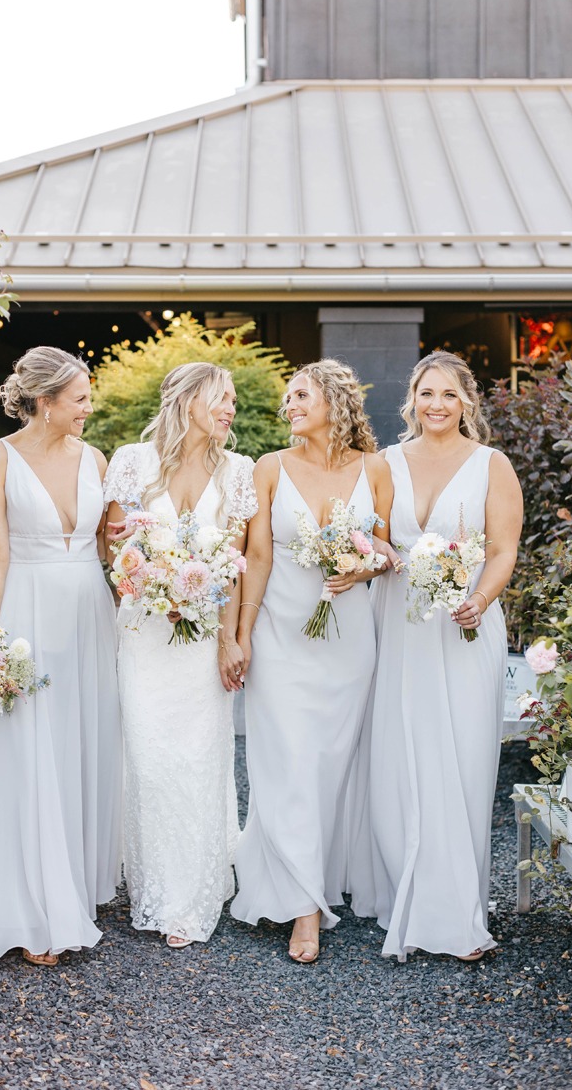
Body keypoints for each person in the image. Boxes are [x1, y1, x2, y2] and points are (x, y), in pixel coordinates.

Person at [0, 347, 122, 966]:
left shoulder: (96, 459)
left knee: (76, 745)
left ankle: (71, 882)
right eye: (79, 398)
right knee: (26, 750)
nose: (88, 408)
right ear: (44, 403)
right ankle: (29, 905)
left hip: (88, 618)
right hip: (26, 617)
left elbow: (108, 545)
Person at [350, 350, 522, 962]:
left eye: (449, 394)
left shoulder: (490, 466)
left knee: (461, 756)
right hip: (397, 621)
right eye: (427, 393)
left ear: (466, 401)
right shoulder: (385, 462)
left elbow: (502, 549)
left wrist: (478, 597)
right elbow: (364, 528)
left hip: (463, 624)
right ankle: (405, 888)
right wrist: (386, 555)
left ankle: (454, 907)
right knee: (397, 751)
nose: (437, 405)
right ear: (412, 400)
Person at [229, 359, 393, 963]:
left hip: (347, 641)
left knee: (328, 765)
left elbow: (389, 547)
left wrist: (365, 564)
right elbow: (259, 557)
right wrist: (242, 635)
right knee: (289, 762)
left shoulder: (374, 469)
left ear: (335, 400)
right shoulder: (268, 468)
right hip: (280, 633)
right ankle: (304, 908)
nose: (290, 403)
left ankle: (315, 875)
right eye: (288, 396)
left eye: (301, 394)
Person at [103, 362, 257, 949]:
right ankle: (156, 886)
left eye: (234, 401)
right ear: (189, 399)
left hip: (202, 644)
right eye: (222, 397)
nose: (230, 409)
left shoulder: (238, 471)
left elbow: (236, 565)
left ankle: (193, 894)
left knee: (200, 759)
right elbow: (114, 551)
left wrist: (228, 639)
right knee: (149, 759)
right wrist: (152, 586)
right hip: (145, 633)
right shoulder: (132, 461)